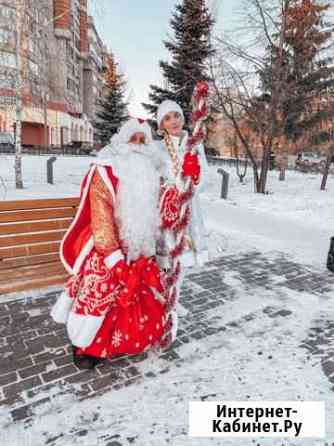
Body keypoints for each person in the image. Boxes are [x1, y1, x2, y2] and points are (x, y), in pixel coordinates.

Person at [51, 119, 167, 369]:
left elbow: (164, 210)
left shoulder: (152, 175)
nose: (137, 144)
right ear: (121, 142)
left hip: (140, 248)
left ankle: (133, 338)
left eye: (142, 140)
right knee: (101, 279)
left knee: (146, 280)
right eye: (132, 139)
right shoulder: (104, 170)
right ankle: (86, 344)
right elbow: (101, 220)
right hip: (107, 247)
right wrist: (115, 260)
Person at [156, 99, 210, 269]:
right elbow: (154, 178)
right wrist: (171, 187)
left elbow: (207, 176)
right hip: (169, 209)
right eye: (167, 118)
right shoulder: (158, 148)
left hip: (190, 206)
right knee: (169, 266)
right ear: (162, 124)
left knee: (186, 266)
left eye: (177, 115)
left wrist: (195, 178)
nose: (173, 121)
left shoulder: (194, 145)